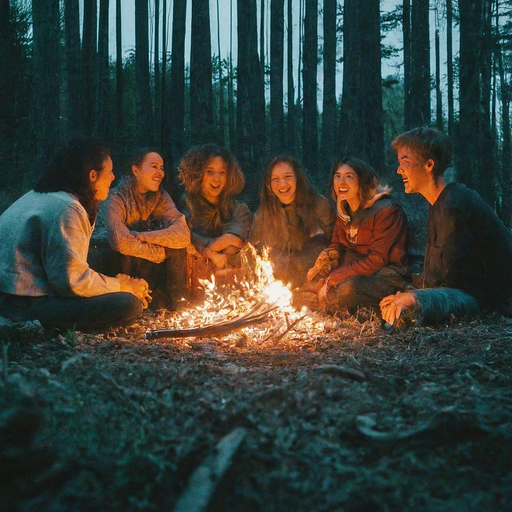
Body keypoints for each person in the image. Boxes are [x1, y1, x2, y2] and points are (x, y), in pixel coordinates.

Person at [0, 138, 150, 331]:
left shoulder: (40, 196)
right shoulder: (67, 208)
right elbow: (71, 283)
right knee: (128, 304)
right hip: (21, 305)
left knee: (105, 265)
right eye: (110, 171)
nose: (113, 178)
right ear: (93, 175)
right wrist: (122, 285)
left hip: (14, 293)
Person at [380, 126, 512, 327]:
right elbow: (437, 272)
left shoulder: (454, 205)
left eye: (405, 162)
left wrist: (415, 297)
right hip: (467, 292)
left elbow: (460, 284)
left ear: (429, 164)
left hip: (488, 298)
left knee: (410, 305)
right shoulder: (439, 203)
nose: (399, 170)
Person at [306, 156, 409, 313]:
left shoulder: (386, 211)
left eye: (349, 177)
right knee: (317, 285)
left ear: (362, 181)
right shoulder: (344, 208)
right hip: (358, 270)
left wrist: (339, 275)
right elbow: (338, 244)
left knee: (347, 290)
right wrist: (328, 257)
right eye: (337, 176)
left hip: (387, 274)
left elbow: (377, 260)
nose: (341, 182)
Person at [104, 148, 190, 308]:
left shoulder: (160, 196)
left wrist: (145, 237)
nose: (160, 173)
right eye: (154, 166)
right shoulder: (117, 197)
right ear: (136, 170)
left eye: (162, 168)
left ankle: (177, 305)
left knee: (177, 247)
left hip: (145, 261)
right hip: (114, 266)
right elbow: (121, 242)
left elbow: (183, 234)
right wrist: (159, 253)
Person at [249, 155, 336, 289]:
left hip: (313, 270)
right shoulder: (263, 215)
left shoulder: (317, 204)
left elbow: (336, 239)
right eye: (275, 179)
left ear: (298, 179)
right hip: (281, 276)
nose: (282, 184)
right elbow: (255, 251)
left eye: (288, 177)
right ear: (269, 185)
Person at [177, 143, 252, 290]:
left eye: (222, 172)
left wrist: (211, 247)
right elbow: (184, 236)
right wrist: (212, 250)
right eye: (210, 172)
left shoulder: (238, 208)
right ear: (199, 175)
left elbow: (234, 240)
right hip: (194, 287)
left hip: (232, 285)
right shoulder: (187, 206)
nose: (216, 179)